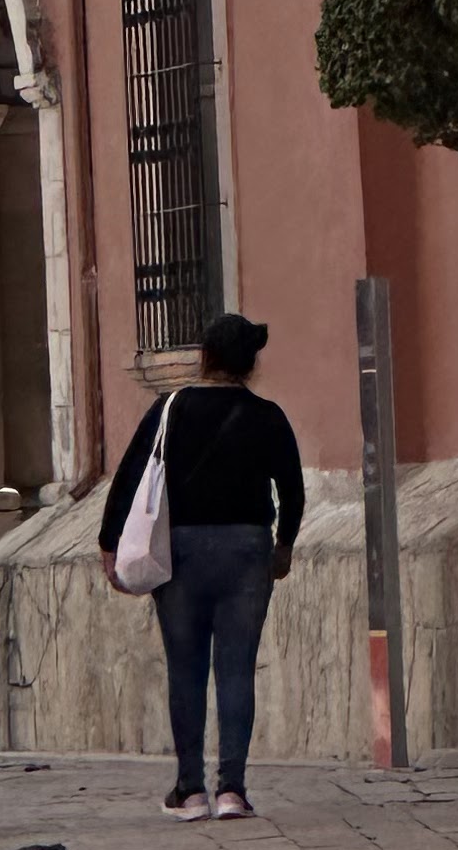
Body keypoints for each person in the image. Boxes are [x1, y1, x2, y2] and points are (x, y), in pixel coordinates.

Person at [100, 310, 307, 820]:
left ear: (205, 357)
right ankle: (232, 788)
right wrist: (284, 545)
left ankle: (190, 789)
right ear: (249, 363)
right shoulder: (268, 416)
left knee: (186, 669)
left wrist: (109, 544)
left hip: (181, 552)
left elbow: (129, 476)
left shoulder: (171, 408)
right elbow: (293, 490)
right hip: (247, 550)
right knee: (237, 670)